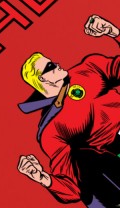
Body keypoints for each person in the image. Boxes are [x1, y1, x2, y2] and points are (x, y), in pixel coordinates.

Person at [17, 14, 120, 207]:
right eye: (49, 66)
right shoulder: (51, 130)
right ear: (42, 80)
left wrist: (113, 32)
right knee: (85, 161)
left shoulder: (88, 68)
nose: (56, 63)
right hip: (113, 155)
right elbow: (73, 187)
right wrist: (43, 178)